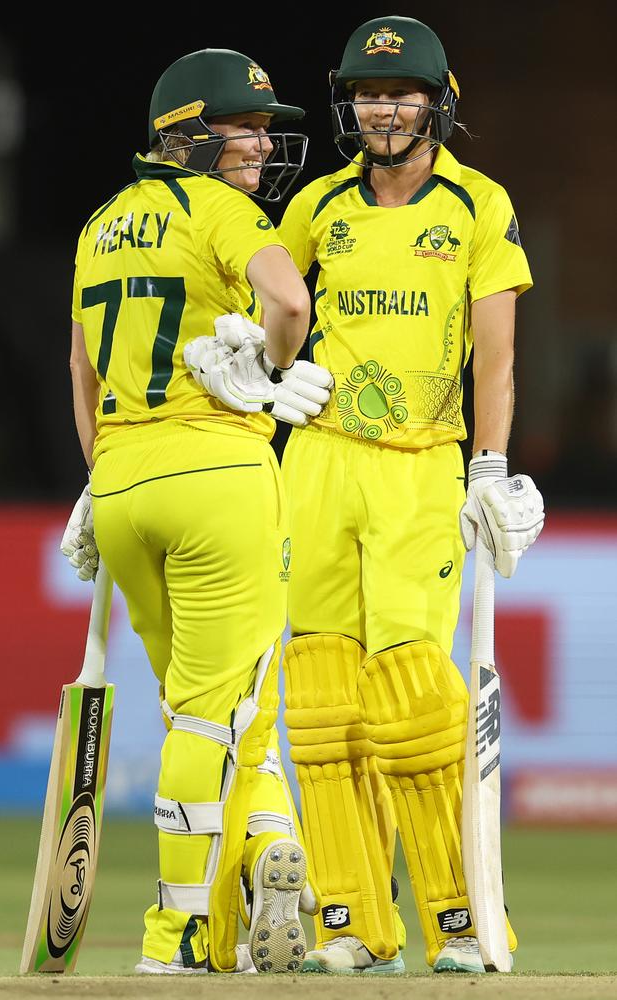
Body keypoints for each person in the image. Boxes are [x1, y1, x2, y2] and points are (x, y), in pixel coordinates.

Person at [272, 16, 545, 975]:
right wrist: (267, 377)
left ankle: (462, 923)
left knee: (413, 700)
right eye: (367, 95)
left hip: (422, 461)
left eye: (401, 95)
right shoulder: (315, 206)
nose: (383, 111)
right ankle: (351, 926)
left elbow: (498, 360)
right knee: (319, 700)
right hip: (316, 459)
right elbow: (261, 293)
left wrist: (490, 466)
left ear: (438, 102)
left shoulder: (477, 205)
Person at [61, 47, 332, 976]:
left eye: (262, 126)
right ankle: (174, 941)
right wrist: (267, 370)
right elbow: (288, 299)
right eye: (243, 126)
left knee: (211, 713)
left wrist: (101, 479)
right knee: (216, 720)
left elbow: (83, 371)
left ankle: (265, 852)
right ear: (186, 136)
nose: (262, 141)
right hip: (219, 475)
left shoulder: (98, 225)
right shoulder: (218, 206)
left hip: (127, 484)